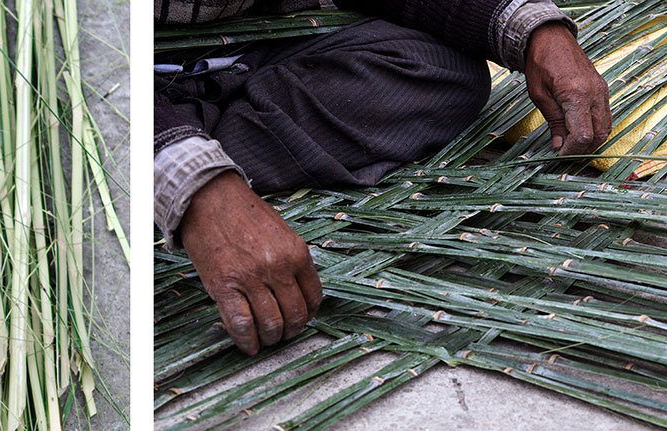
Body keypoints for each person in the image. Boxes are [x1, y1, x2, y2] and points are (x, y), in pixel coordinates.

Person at [155, 0, 613, 355]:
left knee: (441, 67)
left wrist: (532, 29)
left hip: (255, 47)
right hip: (128, 85)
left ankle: (194, 137)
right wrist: (197, 188)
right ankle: (164, 150)